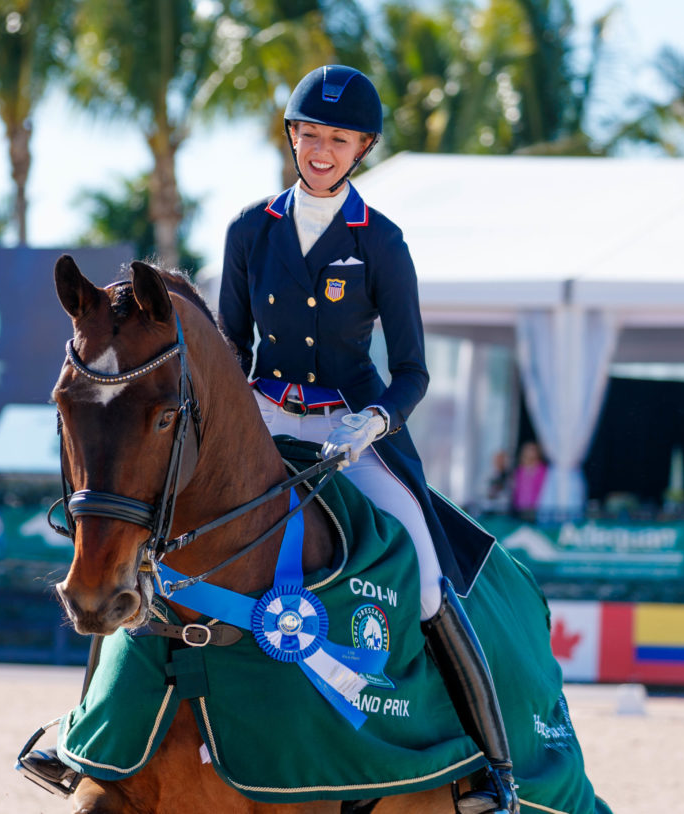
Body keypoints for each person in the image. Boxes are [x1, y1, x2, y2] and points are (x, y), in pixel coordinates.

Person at [214, 65, 518, 814]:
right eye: (309, 134)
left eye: (338, 139)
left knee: (420, 565)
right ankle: (94, 729)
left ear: (362, 147)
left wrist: (376, 420)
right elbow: (227, 345)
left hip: (351, 427)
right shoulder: (249, 229)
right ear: (291, 136)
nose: (321, 150)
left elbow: (412, 370)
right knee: (157, 535)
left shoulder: (382, 241)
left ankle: (488, 762)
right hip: (262, 416)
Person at [511, 441, 547, 518]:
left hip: (536, 508)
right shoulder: (519, 470)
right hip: (520, 507)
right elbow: (516, 489)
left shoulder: (542, 469)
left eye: (533, 449)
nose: (530, 452)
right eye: (528, 449)